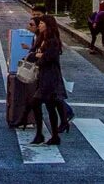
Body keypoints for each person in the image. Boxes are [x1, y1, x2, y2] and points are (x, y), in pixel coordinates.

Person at [26, 15, 67, 145]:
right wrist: (37, 55)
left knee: (37, 103)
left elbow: (50, 57)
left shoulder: (53, 41)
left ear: (48, 25)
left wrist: (39, 56)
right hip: (43, 77)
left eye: (42, 23)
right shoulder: (40, 39)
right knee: (48, 106)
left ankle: (44, 135)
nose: (39, 25)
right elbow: (32, 55)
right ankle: (50, 136)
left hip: (51, 78)